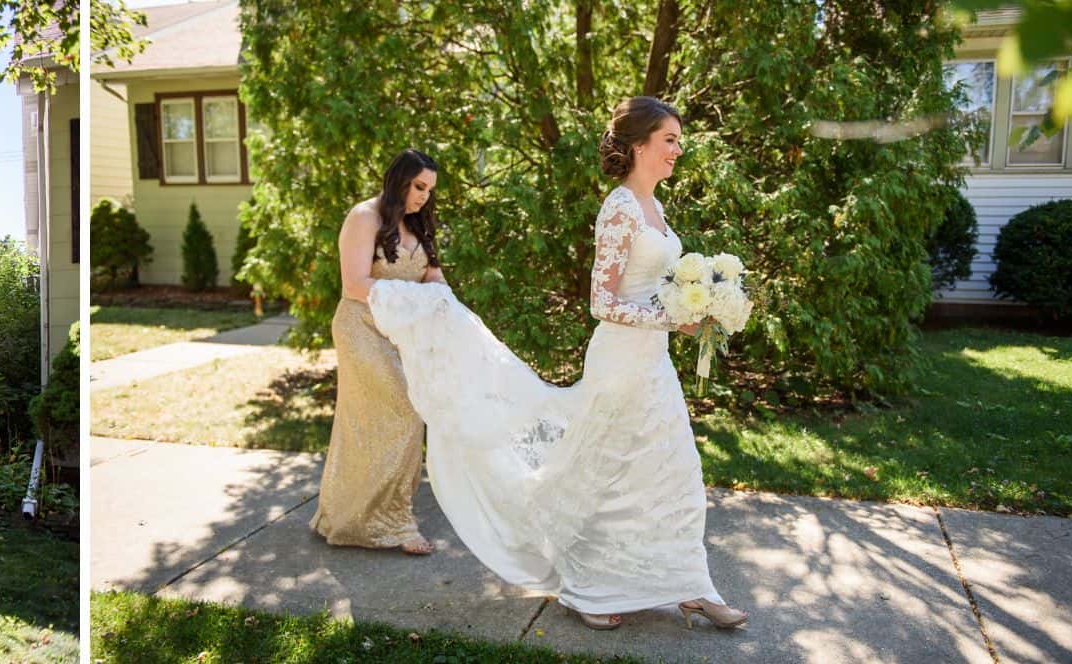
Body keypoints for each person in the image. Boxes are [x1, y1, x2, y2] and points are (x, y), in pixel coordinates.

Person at [366, 97, 749, 631]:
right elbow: (603, 301)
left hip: (653, 364)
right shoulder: (619, 207)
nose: (677, 150)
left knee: (674, 473)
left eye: (678, 141)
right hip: (619, 363)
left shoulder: (655, 208)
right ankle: (592, 589)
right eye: (670, 140)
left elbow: (655, 290)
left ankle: (691, 587)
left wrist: (698, 303)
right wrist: (673, 318)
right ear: (639, 145)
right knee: (606, 474)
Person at [309, 149, 449, 556]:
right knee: (401, 411)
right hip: (361, 328)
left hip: (401, 334)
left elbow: (433, 276)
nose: (424, 196)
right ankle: (394, 523)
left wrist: (446, 304)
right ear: (399, 180)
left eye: (430, 190)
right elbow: (354, 284)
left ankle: (358, 514)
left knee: (392, 418)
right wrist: (415, 298)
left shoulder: (417, 224)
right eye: (419, 186)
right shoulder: (363, 217)